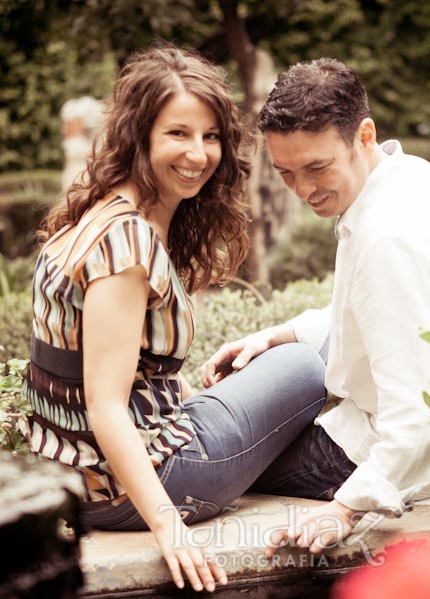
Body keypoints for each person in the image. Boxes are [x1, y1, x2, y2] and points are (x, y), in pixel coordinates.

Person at [22, 45, 328, 593]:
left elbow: (98, 360)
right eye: (178, 134)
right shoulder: (128, 243)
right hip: (142, 483)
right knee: (307, 364)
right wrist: (171, 529)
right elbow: (104, 404)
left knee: (268, 365)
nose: (199, 153)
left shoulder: (94, 216)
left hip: (80, 481)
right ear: (139, 137)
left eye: (210, 136)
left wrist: (176, 389)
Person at [200, 58, 430, 555]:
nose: (303, 190)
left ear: (364, 136)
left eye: (317, 168)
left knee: (214, 459)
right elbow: (386, 311)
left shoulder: (389, 239)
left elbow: (421, 410)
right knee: (263, 388)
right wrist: (278, 334)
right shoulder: (408, 174)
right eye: (287, 173)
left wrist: (346, 507)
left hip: (407, 457)